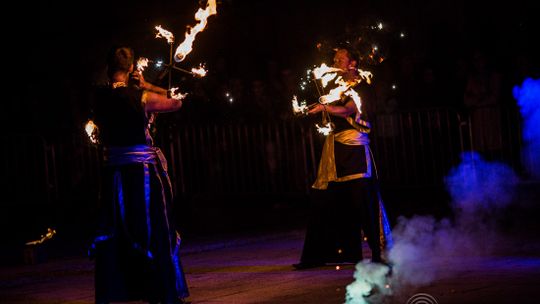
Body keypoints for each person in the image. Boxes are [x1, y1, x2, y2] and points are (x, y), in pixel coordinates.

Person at [90, 46, 189, 304]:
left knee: (117, 231)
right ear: (132, 68)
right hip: (141, 175)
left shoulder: (98, 97)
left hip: (113, 175)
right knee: (153, 230)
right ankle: (163, 294)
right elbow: (177, 101)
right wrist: (147, 84)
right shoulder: (141, 97)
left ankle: (114, 293)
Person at [294, 47, 392, 269]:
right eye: (335, 57)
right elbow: (331, 111)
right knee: (328, 201)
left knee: (363, 203)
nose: (336, 60)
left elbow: (348, 110)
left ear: (353, 62)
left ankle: (378, 253)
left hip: (355, 151)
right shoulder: (335, 87)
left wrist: (324, 107)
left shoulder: (362, 86)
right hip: (335, 151)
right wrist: (314, 109)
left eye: (341, 57)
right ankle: (324, 254)